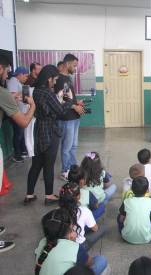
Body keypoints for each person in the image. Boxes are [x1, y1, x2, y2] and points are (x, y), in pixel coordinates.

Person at [25, 65, 82, 206]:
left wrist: (58, 98)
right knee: (49, 165)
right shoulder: (47, 93)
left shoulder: (37, 91)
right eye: (54, 79)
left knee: (36, 164)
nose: (55, 82)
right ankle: (49, 195)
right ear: (49, 78)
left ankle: (29, 194)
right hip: (50, 131)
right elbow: (60, 111)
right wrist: (68, 100)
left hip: (38, 130)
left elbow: (48, 107)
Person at [0, 55, 36, 253]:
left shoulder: (6, 92)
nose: (8, 74)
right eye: (6, 70)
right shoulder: (3, 92)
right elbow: (23, 122)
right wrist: (32, 106)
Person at [34, 208, 108, 275]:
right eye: (72, 227)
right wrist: (73, 242)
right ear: (69, 232)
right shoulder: (75, 248)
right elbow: (90, 263)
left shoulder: (41, 242)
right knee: (101, 260)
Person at [57, 53, 85, 181]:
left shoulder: (67, 78)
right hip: (66, 119)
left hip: (74, 118)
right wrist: (75, 107)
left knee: (73, 146)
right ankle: (65, 171)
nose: (75, 68)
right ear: (67, 64)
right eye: (74, 66)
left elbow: (68, 97)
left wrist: (77, 103)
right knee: (66, 147)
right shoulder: (59, 79)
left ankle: (74, 169)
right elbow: (61, 99)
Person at [59, 182, 106, 251]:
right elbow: (95, 229)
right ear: (78, 197)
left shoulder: (56, 212)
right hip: (79, 246)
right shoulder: (84, 211)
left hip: (62, 244)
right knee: (104, 227)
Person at [118, 176, 151, 244]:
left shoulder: (126, 201)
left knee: (119, 215)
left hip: (126, 237)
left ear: (131, 189)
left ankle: (124, 230)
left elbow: (121, 219)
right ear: (147, 190)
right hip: (146, 238)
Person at [7, 66, 29, 162]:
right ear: (20, 74)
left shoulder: (17, 82)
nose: (26, 78)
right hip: (16, 113)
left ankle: (22, 151)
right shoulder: (12, 81)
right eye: (25, 76)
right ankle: (17, 155)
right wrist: (21, 93)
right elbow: (11, 96)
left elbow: (17, 97)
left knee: (21, 133)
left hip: (20, 112)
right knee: (18, 134)